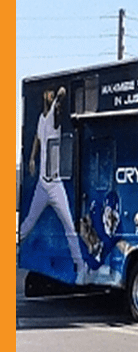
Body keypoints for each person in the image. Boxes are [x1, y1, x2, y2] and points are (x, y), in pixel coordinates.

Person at [20, 86, 86, 284]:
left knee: (69, 225)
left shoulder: (54, 119)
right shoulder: (42, 119)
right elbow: (37, 139)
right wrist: (31, 159)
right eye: (47, 93)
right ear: (43, 96)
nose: (49, 95)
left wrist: (59, 96)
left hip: (56, 184)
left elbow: (62, 98)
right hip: (42, 183)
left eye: (51, 94)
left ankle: (80, 266)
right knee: (28, 222)